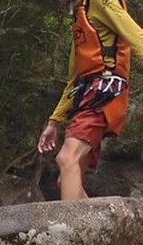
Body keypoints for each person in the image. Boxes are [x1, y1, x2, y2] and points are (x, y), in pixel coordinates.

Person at [38, 0, 143, 200]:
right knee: (66, 177)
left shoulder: (102, 2)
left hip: (105, 91)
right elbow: (73, 81)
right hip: (88, 94)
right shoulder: (80, 16)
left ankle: (70, 230)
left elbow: (137, 37)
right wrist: (54, 122)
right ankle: (107, 228)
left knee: (67, 159)